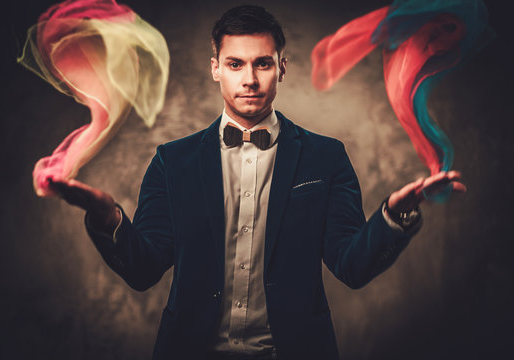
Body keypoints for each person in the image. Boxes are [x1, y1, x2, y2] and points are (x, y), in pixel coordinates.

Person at [49, 5, 466, 360]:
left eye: (262, 63)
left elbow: (351, 266)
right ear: (216, 69)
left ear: (281, 68)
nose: (249, 79)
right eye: (235, 64)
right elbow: (144, 269)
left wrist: (394, 215)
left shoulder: (326, 157)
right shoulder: (172, 162)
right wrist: (108, 218)